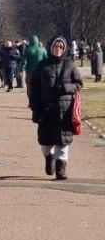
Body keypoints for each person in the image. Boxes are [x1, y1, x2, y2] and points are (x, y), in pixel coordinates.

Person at [29, 37, 83, 180]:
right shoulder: (42, 66)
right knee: (46, 142)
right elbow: (34, 89)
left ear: (64, 49)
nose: (58, 49)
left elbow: (78, 84)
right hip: (46, 110)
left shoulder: (70, 65)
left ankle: (61, 170)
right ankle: (49, 158)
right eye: (55, 47)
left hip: (65, 111)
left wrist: (66, 88)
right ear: (50, 48)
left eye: (60, 47)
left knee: (63, 141)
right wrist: (35, 108)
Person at [20, 35, 47, 104]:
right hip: (40, 72)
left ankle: (31, 101)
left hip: (30, 72)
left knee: (30, 87)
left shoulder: (28, 50)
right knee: (40, 87)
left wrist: (21, 70)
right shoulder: (43, 50)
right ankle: (40, 101)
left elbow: (24, 61)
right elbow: (46, 60)